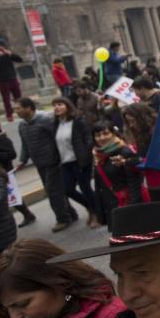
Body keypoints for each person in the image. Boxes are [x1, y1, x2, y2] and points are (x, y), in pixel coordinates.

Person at [14, 97, 76, 232]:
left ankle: (63, 219)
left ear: (28, 108)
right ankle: (71, 213)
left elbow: (58, 138)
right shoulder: (22, 125)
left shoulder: (45, 121)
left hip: (53, 162)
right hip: (39, 164)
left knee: (53, 192)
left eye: (18, 108)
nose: (16, 111)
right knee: (55, 191)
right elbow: (25, 145)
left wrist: (60, 157)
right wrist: (22, 160)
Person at [122, 102, 160, 201]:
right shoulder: (139, 135)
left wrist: (132, 161)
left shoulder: (159, 131)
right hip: (153, 186)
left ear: (142, 118)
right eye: (128, 122)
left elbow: (157, 159)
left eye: (132, 121)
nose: (131, 125)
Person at [52, 97, 97, 227]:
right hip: (65, 162)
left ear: (67, 105)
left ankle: (95, 214)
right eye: (54, 105)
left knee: (85, 188)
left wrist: (86, 155)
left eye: (60, 104)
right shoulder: (56, 124)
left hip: (80, 161)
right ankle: (91, 206)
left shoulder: (78, 120)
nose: (57, 107)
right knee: (68, 189)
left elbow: (88, 138)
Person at [91, 120, 147, 227]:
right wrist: (100, 213)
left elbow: (135, 180)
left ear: (113, 133)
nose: (102, 138)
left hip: (128, 203)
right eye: (98, 135)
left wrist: (133, 206)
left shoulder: (124, 152)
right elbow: (99, 185)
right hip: (112, 205)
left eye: (106, 133)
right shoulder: (97, 153)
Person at [0, 123, 34, 227]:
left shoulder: (2, 139)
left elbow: (12, 154)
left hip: (5, 173)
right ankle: (28, 214)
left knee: (10, 196)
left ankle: (27, 214)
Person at [0, 37, 22, 122]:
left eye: (2, 46)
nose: (0, 48)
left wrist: (9, 53)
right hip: (2, 81)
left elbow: (19, 60)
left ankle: (21, 111)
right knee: (6, 99)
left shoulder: (8, 54)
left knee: (18, 97)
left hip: (12, 78)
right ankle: (9, 115)